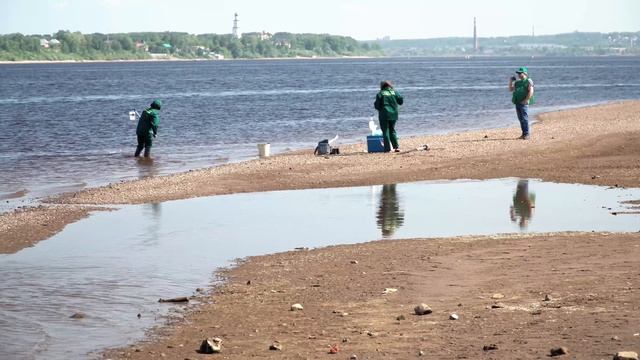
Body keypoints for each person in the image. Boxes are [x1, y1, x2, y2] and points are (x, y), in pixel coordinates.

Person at [374, 80, 404, 152]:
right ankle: (396, 147)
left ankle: (387, 149)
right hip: (394, 114)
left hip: (384, 115)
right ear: (390, 85)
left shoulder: (380, 93)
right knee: (392, 130)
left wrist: (380, 109)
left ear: (382, 86)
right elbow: (401, 101)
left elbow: (377, 106)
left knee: (385, 131)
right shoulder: (394, 92)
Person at [508, 66, 535, 140]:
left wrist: (526, 100)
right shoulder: (517, 83)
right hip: (517, 102)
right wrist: (511, 81)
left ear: (525, 73)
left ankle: (527, 134)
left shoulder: (528, 81)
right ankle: (523, 134)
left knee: (524, 118)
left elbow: (531, 91)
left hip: (524, 103)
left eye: (520, 73)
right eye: (518, 73)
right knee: (520, 119)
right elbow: (510, 89)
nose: (519, 74)